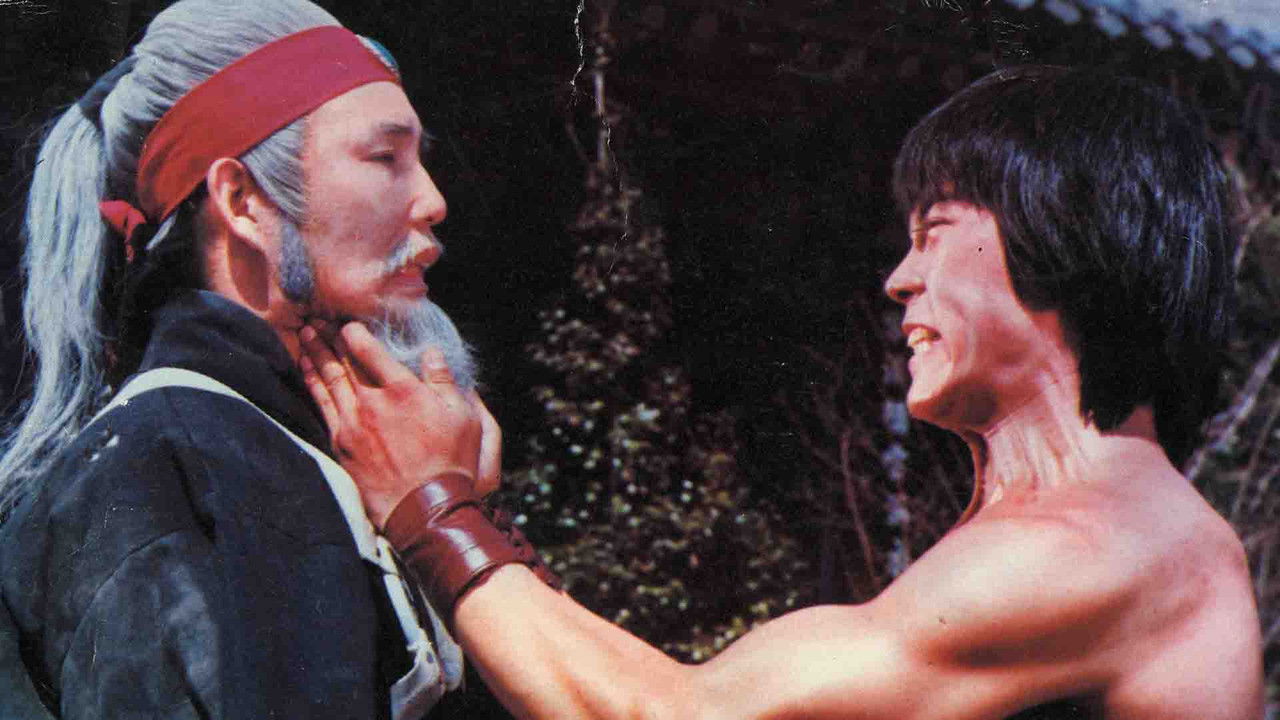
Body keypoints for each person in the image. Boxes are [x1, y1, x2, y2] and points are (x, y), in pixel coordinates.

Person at [299, 66, 1265, 718]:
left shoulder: (1103, 545)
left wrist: (435, 510)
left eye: (934, 232)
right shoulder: (1096, 531)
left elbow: (675, 716)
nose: (901, 279)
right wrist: (475, 522)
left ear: (1065, 233)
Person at [0, 1, 542, 717]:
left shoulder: (332, 457)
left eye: (422, 160)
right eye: (385, 158)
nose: (434, 201)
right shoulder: (163, 470)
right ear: (242, 201)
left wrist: (463, 512)